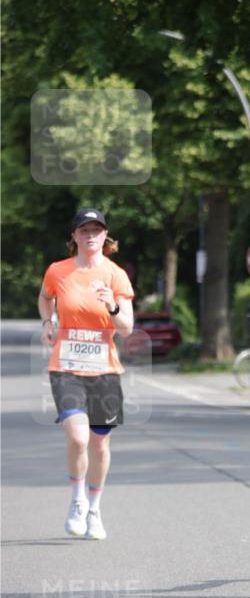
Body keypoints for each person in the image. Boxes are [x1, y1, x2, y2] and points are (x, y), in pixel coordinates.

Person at [38, 208, 135, 540]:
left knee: (99, 446)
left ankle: (94, 508)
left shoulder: (115, 275)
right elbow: (45, 297)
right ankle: (77, 500)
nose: (90, 235)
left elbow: (127, 328)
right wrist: (47, 321)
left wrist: (112, 307)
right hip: (65, 367)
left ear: (105, 236)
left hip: (104, 370)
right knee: (78, 438)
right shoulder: (58, 271)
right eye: (84, 230)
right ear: (74, 236)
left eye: (96, 230)